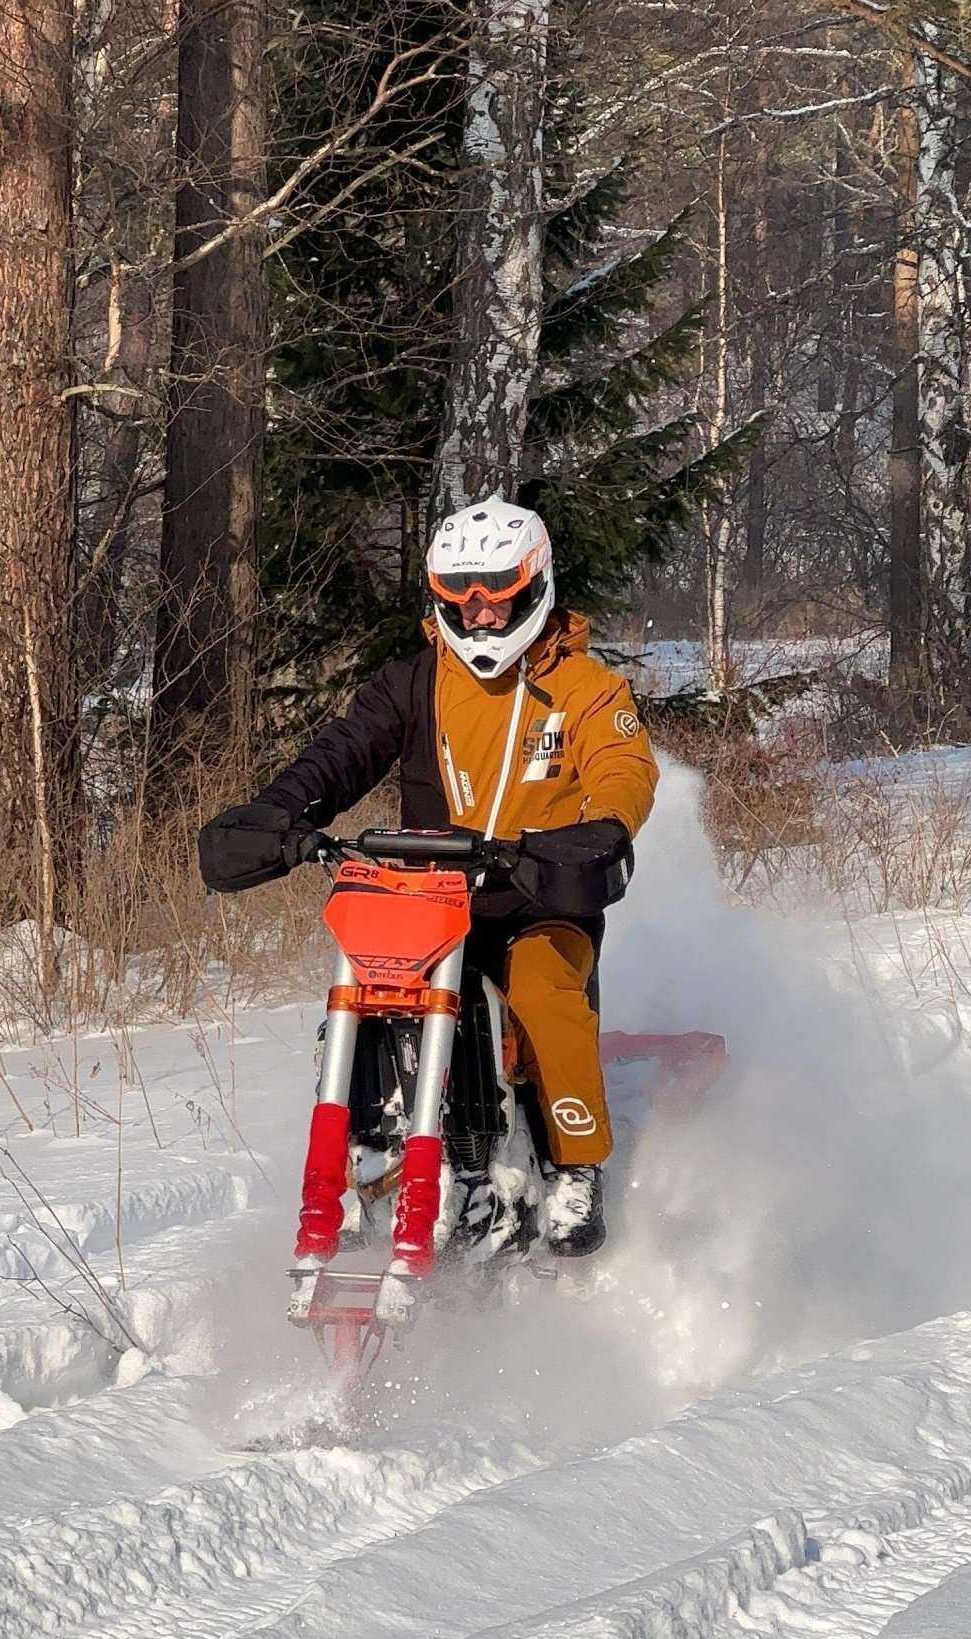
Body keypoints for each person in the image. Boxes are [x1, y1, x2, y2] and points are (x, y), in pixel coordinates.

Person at [198, 493, 658, 1258]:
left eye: (495, 595)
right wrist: (281, 813)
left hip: (540, 891)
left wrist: (599, 831)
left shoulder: (586, 689)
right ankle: (370, 1159)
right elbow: (340, 754)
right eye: (459, 598)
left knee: (545, 996)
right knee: (364, 999)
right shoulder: (414, 683)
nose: (478, 616)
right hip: (429, 899)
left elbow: (623, 770)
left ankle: (574, 1163)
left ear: (533, 585)